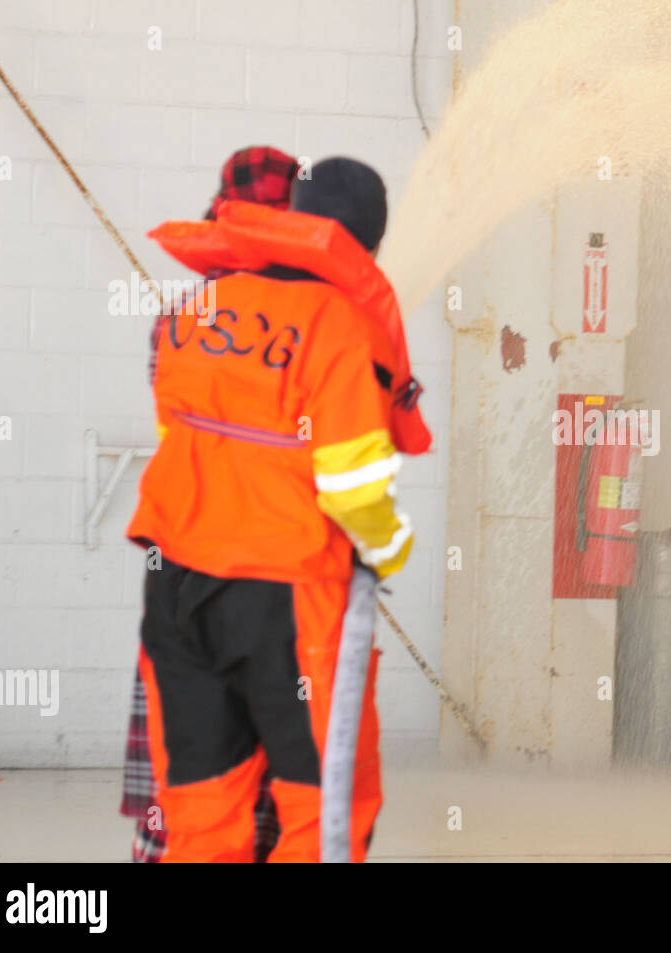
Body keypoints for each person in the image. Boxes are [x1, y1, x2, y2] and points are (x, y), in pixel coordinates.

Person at [128, 157, 421, 862]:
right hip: (290, 598)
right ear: (370, 244)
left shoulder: (198, 310)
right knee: (322, 811)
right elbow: (350, 488)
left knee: (201, 810)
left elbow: (177, 437)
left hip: (176, 589)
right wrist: (393, 546)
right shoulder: (345, 327)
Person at [122, 145, 298, 862]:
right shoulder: (319, 329)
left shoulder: (176, 324)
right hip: (280, 588)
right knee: (280, 791)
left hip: (184, 579)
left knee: (190, 779)